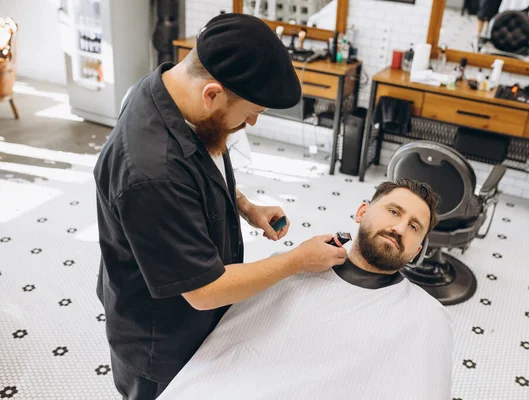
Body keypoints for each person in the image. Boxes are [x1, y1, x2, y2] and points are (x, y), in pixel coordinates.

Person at [93, 13, 347, 400]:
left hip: (186, 307)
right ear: (211, 94)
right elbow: (204, 291)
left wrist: (243, 205)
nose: (252, 123)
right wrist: (297, 260)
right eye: (250, 114)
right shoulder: (151, 170)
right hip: (160, 341)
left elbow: (199, 169)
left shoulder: (172, 93)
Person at [157, 179, 454, 400]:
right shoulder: (289, 267)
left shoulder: (427, 317)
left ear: (416, 252)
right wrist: (293, 262)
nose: (400, 228)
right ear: (362, 212)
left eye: (415, 227)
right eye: (393, 211)